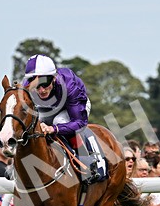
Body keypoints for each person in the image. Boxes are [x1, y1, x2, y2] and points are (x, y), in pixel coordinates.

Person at [21, 54, 103, 184]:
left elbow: (80, 122)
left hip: (72, 107)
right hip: (48, 108)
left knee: (59, 121)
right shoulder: (26, 87)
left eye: (45, 84)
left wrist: (54, 129)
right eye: (37, 85)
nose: (41, 90)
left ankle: (85, 159)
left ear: (53, 78)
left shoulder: (69, 85)